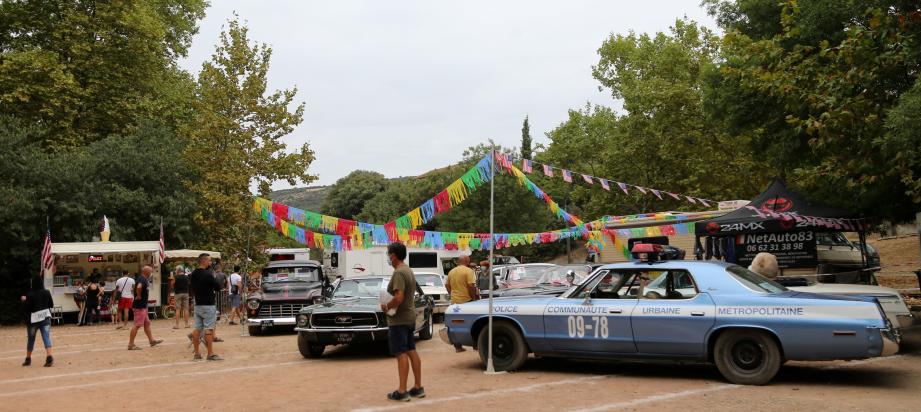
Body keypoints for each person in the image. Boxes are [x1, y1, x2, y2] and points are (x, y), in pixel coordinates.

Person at [381, 242, 424, 402]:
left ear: (393, 255)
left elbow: (398, 297)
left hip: (399, 319)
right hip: (409, 317)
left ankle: (402, 390)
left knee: (401, 353)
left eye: (388, 254)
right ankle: (418, 387)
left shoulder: (399, 273)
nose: (388, 257)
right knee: (411, 350)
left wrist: (387, 306)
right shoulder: (408, 270)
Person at [189, 253, 223, 361]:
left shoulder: (193, 273)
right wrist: (214, 275)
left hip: (198, 303)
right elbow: (218, 287)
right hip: (208, 304)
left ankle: (197, 354)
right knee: (209, 328)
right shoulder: (208, 274)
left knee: (197, 328)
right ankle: (210, 354)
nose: (210, 263)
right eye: (209, 260)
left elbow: (192, 287)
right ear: (203, 261)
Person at [445, 255, 478, 352]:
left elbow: (447, 285)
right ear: (467, 261)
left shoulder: (451, 271)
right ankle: (475, 345)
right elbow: (471, 286)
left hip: (454, 302)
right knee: (473, 324)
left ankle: (458, 347)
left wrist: (452, 294)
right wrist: (474, 298)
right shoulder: (468, 271)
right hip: (466, 301)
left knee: (454, 324)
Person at [127, 266, 163, 350]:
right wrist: (139, 296)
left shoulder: (142, 279)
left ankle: (151, 341)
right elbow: (139, 287)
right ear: (147, 272)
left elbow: (135, 288)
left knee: (147, 323)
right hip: (140, 306)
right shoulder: (142, 279)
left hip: (143, 306)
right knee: (137, 325)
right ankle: (131, 344)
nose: (151, 273)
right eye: (150, 271)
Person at [21, 275, 54, 367]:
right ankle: (49, 356)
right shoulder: (47, 292)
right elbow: (51, 304)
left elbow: (27, 309)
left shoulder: (30, 294)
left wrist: (24, 301)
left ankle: (28, 359)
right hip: (45, 318)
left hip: (34, 320)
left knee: (31, 339)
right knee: (46, 337)